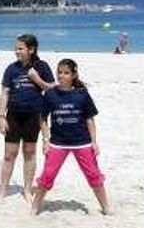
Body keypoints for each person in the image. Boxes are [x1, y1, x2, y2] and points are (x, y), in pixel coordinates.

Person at [31, 59, 110, 215]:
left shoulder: (82, 94)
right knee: (47, 176)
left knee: (94, 175)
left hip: (82, 142)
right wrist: (45, 141)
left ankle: (106, 207)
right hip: (57, 143)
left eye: (66, 73)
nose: (61, 76)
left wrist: (94, 142)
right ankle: (34, 207)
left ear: (74, 75)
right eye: (59, 72)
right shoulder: (50, 94)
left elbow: (90, 119)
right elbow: (43, 119)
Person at [0, 34, 55, 203]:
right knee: (9, 154)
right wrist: (1, 116)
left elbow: (52, 88)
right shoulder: (11, 69)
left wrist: (37, 80)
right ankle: (3, 190)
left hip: (34, 115)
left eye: (20, 48)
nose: (16, 51)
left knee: (29, 152)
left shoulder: (42, 66)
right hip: (13, 115)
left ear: (31, 49)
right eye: (16, 48)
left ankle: (28, 190)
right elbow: (5, 93)